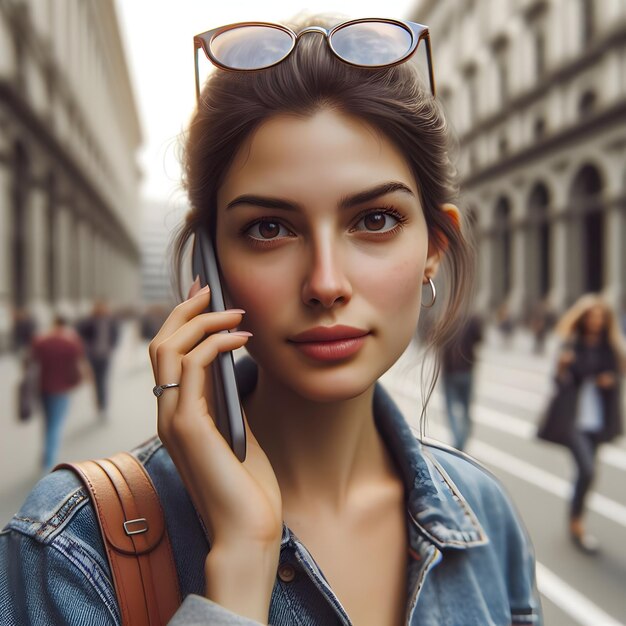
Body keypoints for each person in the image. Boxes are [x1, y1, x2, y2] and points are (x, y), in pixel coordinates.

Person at [0, 15, 542, 625]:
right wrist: (240, 563)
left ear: (434, 247)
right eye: (269, 228)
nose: (326, 284)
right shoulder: (72, 551)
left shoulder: (486, 516)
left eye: (374, 219)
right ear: (210, 260)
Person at [538, 294, 624, 554]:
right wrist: (563, 369)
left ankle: (577, 516)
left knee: (586, 472)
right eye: (591, 316)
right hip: (573, 417)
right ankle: (576, 522)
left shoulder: (609, 347)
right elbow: (558, 382)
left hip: (597, 419)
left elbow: (618, 377)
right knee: (587, 470)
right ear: (583, 318)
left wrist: (611, 381)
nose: (595, 321)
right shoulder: (572, 343)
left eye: (600, 317)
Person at [28, 315, 89, 471]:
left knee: (48, 422)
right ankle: (48, 459)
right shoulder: (71, 343)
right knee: (55, 424)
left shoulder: (41, 341)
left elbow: (29, 360)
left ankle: (45, 454)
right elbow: (79, 362)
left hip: (43, 387)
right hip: (62, 389)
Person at [441, 314, 483, 450]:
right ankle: (462, 440)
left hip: (450, 371)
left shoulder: (446, 319)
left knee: (450, 408)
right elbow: (479, 339)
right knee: (465, 408)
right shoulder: (472, 319)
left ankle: (458, 439)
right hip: (466, 369)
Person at [76, 299, 120, 420]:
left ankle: (103, 406)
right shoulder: (89, 321)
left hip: (105, 355)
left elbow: (116, 334)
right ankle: (99, 404)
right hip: (92, 356)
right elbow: (80, 333)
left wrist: (112, 347)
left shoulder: (111, 321)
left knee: (103, 380)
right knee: (95, 381)